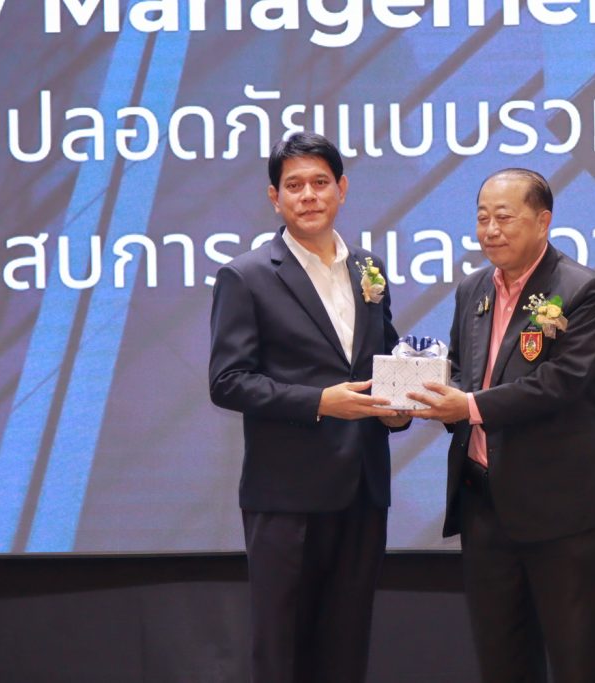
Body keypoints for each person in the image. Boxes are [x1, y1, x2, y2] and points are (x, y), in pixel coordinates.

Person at [408, 168, 595, 683]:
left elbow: (561, 384)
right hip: (484, 506)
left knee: (579, 660)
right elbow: (463, 373)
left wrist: (467, 406)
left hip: (561, 510)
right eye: (482, 218)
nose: (490, 230)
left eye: (504, 217)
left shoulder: (583, 289)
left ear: (543, 221)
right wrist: (416, 397)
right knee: (502, 660)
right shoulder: (472, 289)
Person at [208, 132, 409, 683]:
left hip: (362, 489)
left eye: (321, 182)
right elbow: (227, 382)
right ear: (274, 198)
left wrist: (398, 408)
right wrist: (321, 402)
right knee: (284, 652)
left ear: (342, 188)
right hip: (287, 497)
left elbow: (384, 359)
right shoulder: (246, 276)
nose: (309, 195)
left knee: (346, 648)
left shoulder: (368, 268)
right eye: (294, 185)